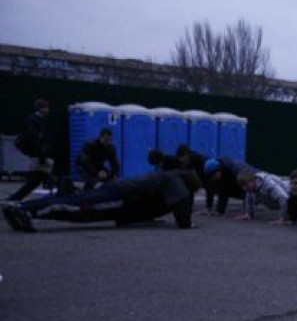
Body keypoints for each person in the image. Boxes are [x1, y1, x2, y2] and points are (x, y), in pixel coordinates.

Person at [2, 170, 200, 232]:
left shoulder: (170, 177)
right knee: (79, 208)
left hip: (119, 191)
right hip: (120, 197)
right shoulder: (177, 184)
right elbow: (181, 206)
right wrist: (188, 223)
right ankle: (24, 210)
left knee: (77, 203)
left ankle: (23, 209)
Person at [9, 99, 55, 202]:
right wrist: (41, 155)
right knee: (39, 178)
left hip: (38, 154)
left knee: (39, 178)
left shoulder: (35, 119)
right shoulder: (35, 120)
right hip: (38, 154)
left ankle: (16, 197)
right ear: (41, 108)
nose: (48, 110)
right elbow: (35, 139)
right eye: (46, 107)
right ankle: (16, 197)